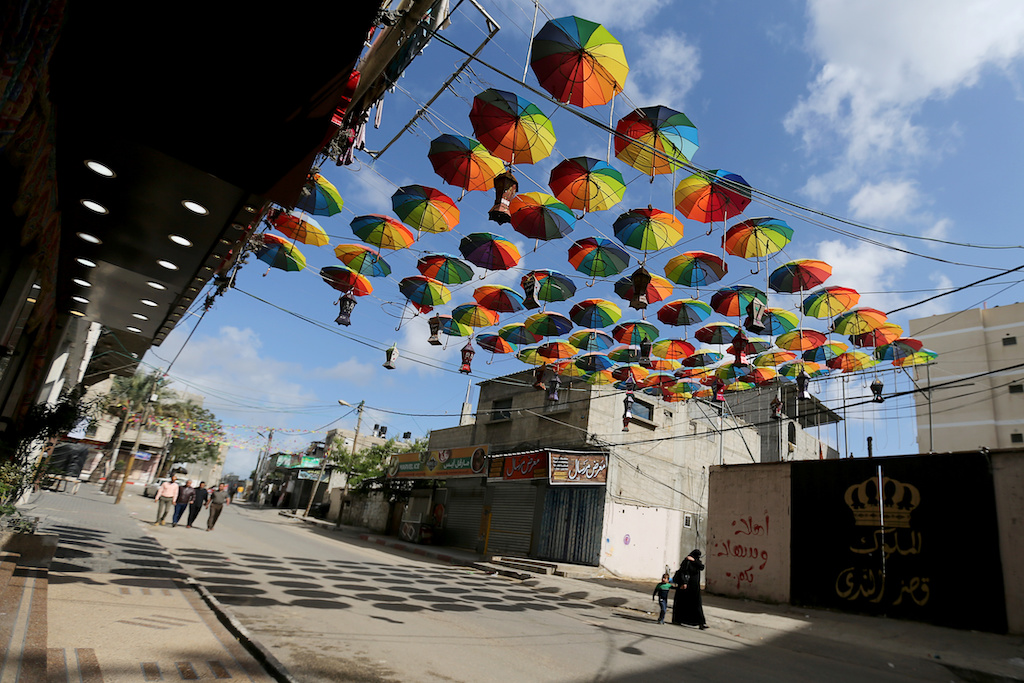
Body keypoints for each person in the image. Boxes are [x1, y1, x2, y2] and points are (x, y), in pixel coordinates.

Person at [671, 549, 708, 629]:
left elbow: (701, 567)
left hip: (694, 588)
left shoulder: (696, 562)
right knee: (681, 604)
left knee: (696, 605)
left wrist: (694, 561)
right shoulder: (687, 562)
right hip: (685, 587)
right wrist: (684, 583)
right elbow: (683, 572)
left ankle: (701, 623)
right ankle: (678, 620)